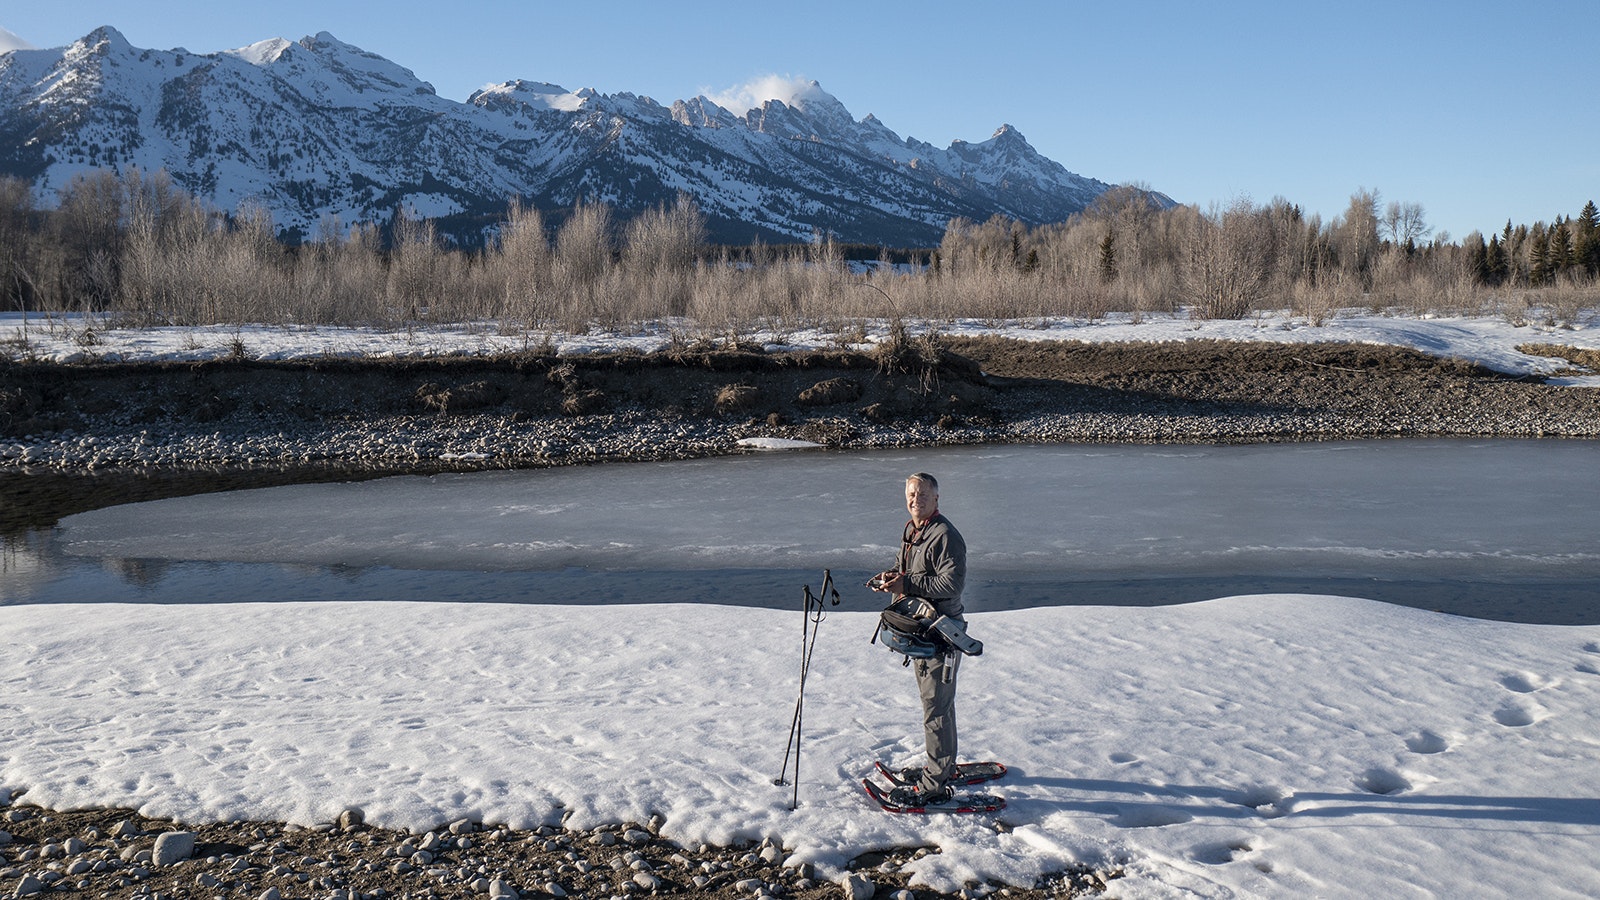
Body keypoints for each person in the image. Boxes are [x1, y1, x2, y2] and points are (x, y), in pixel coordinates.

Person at [870, 471, 967, 805]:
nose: (916, 500)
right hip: (919, 631)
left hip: (942, 633)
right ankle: (941, 765)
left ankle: (935, 783)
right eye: (911, 495)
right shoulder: (913, 530)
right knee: (934, 704)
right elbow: (906, 570)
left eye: (923, 495)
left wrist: (906, 586)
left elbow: (950, 585)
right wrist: (892, 578)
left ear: (936, 499)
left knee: (936, 708)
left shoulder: (945, 536)